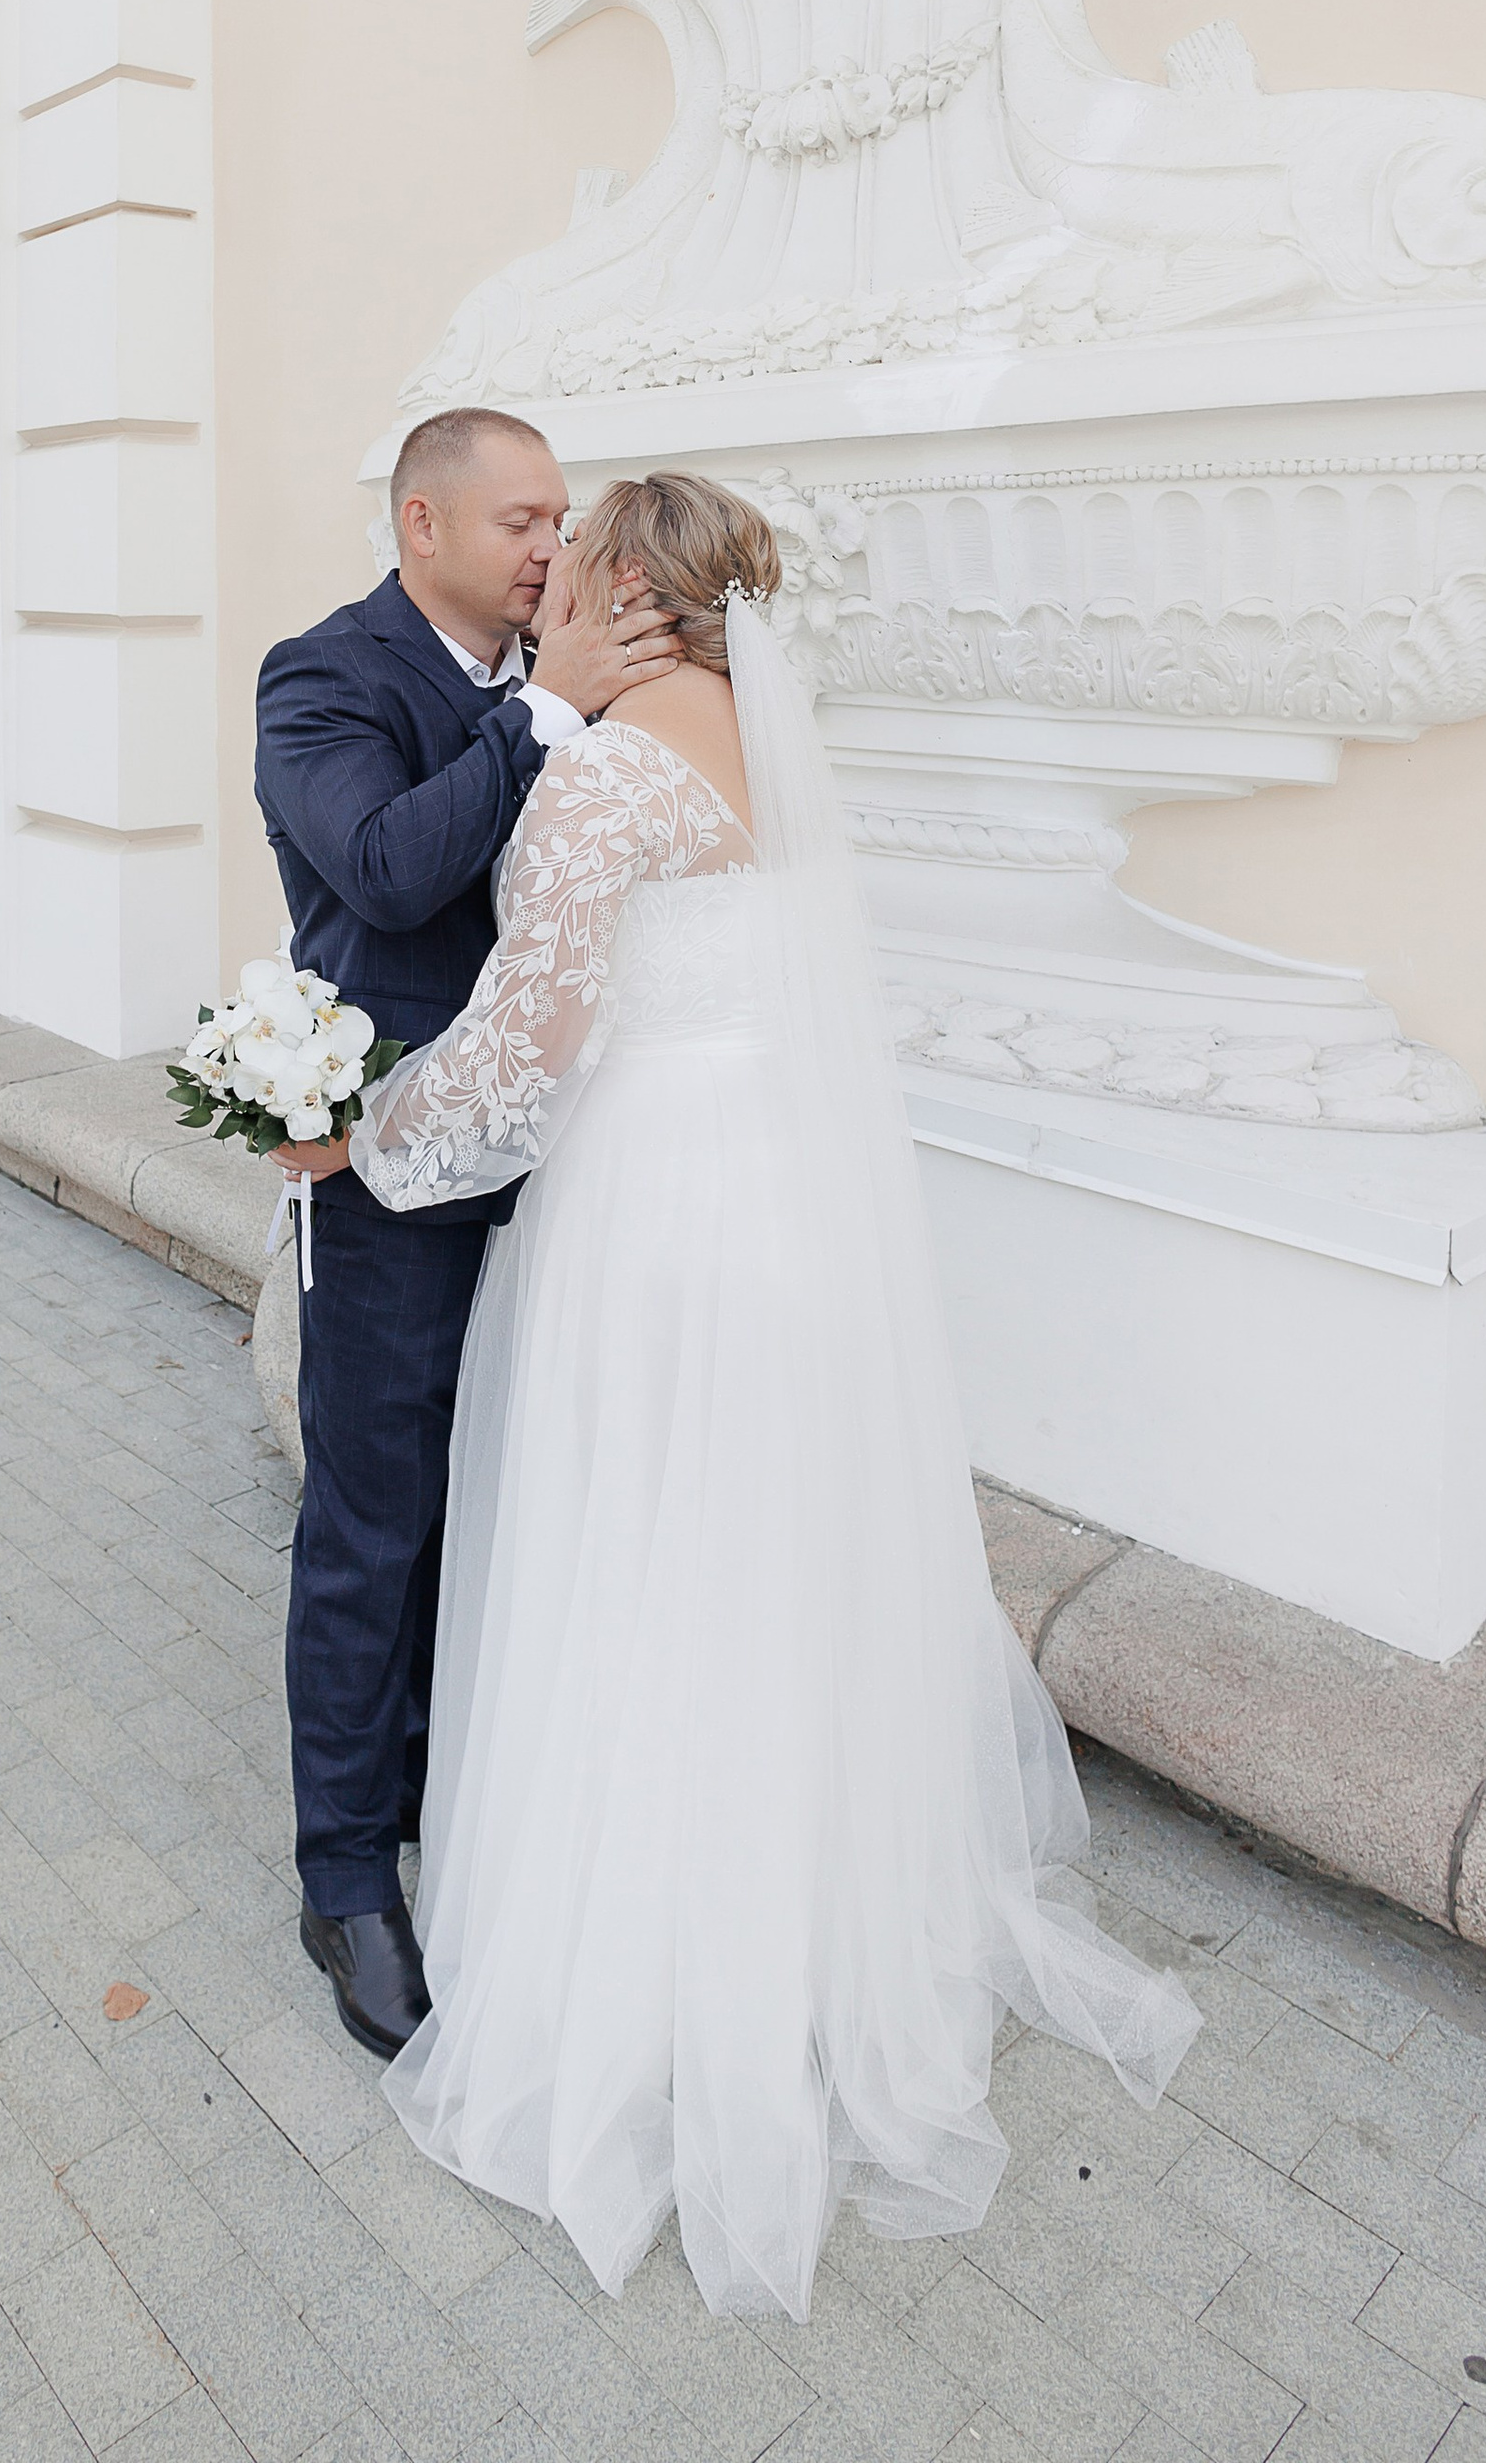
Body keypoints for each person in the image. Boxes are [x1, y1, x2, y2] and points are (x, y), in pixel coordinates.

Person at [340, 469, 1202, 2321]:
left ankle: (654, 1977)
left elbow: (534, 1042)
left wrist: (370, 1133)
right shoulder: (774, 760)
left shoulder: (608, 775)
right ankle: (807, 1937)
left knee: (641, 1550)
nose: (552, 580)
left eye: (577, 559)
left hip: (652, 1207)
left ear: (631, 593)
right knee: (760, 1564)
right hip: (784, 1201)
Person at [254, 408, 681, 2058]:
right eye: (521, 522)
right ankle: (346, 1876)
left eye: (562, 520)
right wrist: (549, 712)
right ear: (421, 522)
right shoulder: (325, 677)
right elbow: (387, 872)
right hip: (387, 1170)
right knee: (374, 1519)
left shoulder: (568, 672)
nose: (551, 550)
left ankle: (453, 1781)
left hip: (563, 1158)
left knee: (500, 1491)